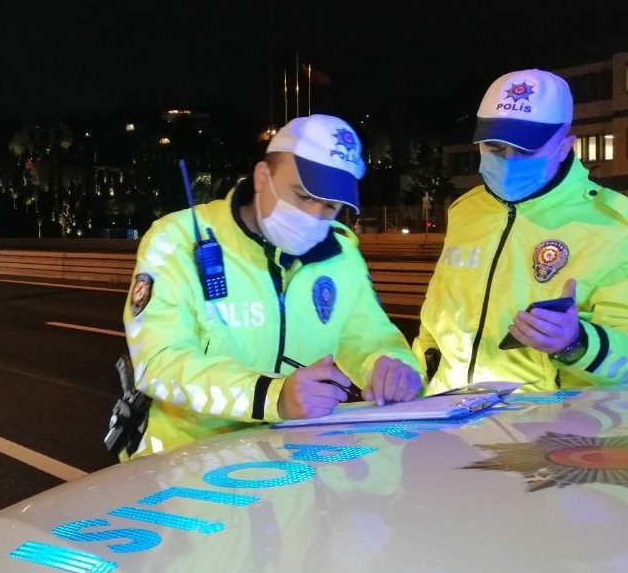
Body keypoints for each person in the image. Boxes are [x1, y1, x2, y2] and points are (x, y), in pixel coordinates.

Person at [121, 114, 424, 459]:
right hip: (182, 465)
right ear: (263, 177)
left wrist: (396, 368)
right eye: (302, 195)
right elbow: (159, 363)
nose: (314, 215)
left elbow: (372, 339)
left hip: (290, 471)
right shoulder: (176, 240)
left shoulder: (341, 258)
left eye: (329, 207)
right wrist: (271, 396)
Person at [415, 69, 628, 393]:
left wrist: (576, 343)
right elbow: (436, 315)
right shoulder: (466, 210)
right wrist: (415, 375)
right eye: (495, 147)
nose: (509, 160)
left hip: (541, 429)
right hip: (445, 414)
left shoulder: (615, 225)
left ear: (565, 145)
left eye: (526, 150)